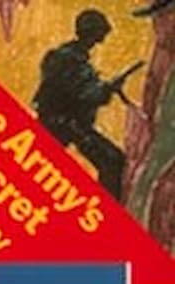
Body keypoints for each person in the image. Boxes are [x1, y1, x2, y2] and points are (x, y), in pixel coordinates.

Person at [32, 8, 136, 200]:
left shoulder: (70, 57)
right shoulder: (69, 59)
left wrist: (106, 88)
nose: (101, 39)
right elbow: (82, 95)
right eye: (99, 33)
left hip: (67, 123)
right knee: (112, 161)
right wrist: (107, 89)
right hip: (62, 124)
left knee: (112, 160)